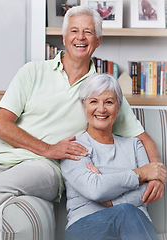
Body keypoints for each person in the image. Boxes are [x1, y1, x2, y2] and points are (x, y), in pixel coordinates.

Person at [0, 5, 165, 240]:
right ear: (64, 36)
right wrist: (50, 147)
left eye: (88, 32)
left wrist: (158, 173)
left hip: (43, 166)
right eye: (74, 31)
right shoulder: (32, 72)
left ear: (98, 40)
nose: (80, 38)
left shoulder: (99, 90)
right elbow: (0, 126)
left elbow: (143, 138)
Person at [60, 73, 166, 240]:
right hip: (85, 228)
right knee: (126, 211)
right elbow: (94, 189)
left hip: (134, 227)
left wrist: (109, 199)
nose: (101, 109)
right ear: (84, 105)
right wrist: (141, 173)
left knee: (127, 212)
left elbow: (147, 193)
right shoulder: (74, 147)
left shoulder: (135, 145)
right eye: (93, 101)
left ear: (118, 106)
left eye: (109, 102)